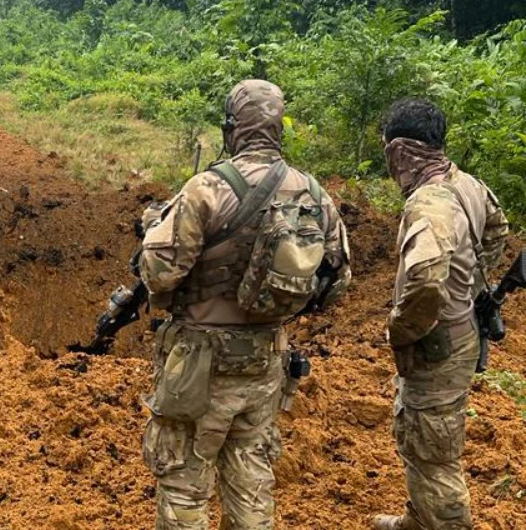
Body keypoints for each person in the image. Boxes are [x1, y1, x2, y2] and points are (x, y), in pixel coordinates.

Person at [138, 79, 351, 529]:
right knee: (251, 478)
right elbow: (335, 281)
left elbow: (159, 273)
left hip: (199, 364)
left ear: (232, 129)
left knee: (184, 481)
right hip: (266, 361)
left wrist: (152, 229)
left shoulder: (206, 189)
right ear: (278, 130)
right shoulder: (313, 194)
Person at [372, 98, 508, 530]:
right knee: (423, 434)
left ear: (399, 152)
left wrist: (402, 329)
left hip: (437, 343)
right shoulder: (468, 184)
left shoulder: (428, 204)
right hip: (463, 329)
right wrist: (465, 284)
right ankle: (418, 518)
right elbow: (497, 231)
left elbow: (426, 278)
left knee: (432, 450)